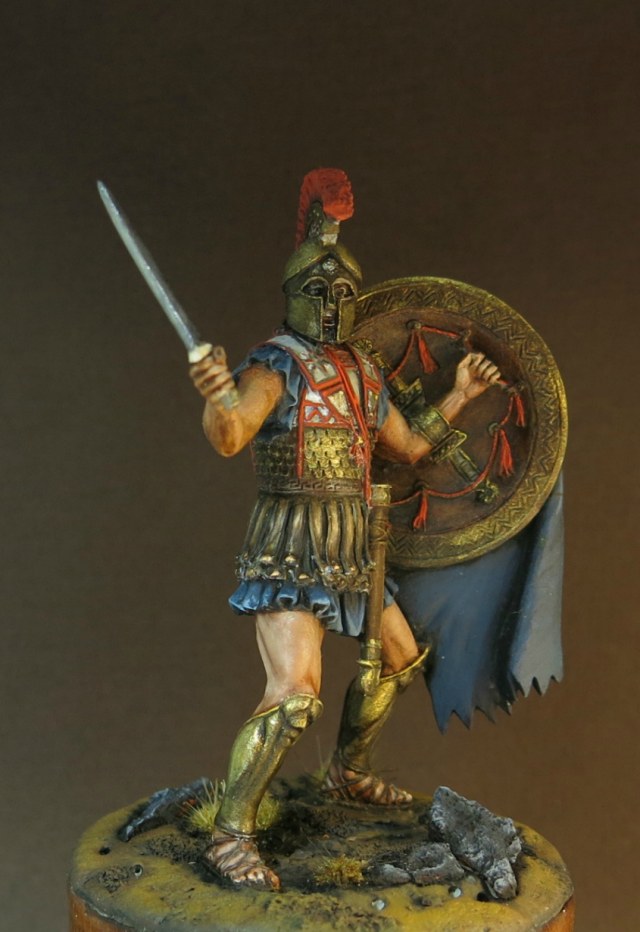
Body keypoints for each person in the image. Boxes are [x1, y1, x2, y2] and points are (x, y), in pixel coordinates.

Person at [189, 169, 501, 890]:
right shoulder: (276, 365)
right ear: (292, 294)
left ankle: (348, 773)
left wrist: (459, 395)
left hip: (356, 542)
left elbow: (409, 447)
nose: (331, 303)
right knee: (295, 694)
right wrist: (216, 397)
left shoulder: (362, 370)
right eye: (318, 289)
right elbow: (232, 435)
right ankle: (231, 836)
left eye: (342, 292)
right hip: (292, 543)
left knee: (399, 659)